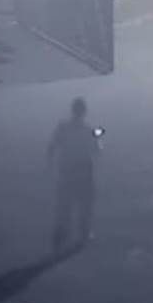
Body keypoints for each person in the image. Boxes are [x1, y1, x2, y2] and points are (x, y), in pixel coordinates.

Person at [47, 97, 101, 251]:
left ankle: (60, 234)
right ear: (84, 112)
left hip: (66, 169)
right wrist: (98, 136)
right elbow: (97, 149)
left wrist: (50, 162)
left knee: (64, 203)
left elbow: (52, 146)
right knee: (85, 204)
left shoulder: (62, 127)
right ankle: (83, 233)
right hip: (83, 170)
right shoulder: (88, 129)